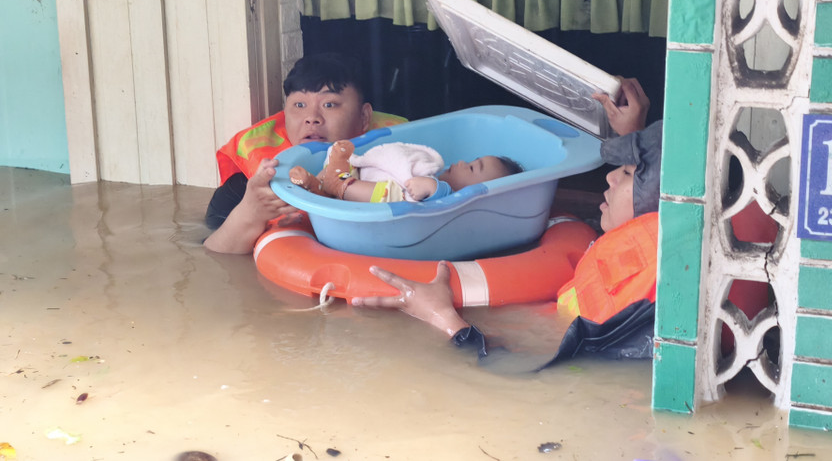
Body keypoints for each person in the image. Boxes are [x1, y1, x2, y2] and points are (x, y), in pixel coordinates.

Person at [352, 83, 662, 365]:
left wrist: (441, 316)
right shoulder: (647, 245)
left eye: (627, 173)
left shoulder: (639, 278)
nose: (609, 176)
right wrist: (634, 134)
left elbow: (513, 367)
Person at [203, 53, 404, 254]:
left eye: (329, 104)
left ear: (364, 116)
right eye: (299, 105)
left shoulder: (396, 157)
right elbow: (212, 255)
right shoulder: (252, 184)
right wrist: (251, 211)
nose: (311, 118)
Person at [288, 139, 523, 202]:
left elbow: (440, 201)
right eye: (471, 160)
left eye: (472, 168)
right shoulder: (430, 168)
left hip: (357, 192)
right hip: (358, 178)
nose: (462, 162)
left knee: (396, 195)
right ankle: (319, 186)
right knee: (343, 163)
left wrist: (432, 188)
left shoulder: (448, 194)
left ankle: (338, 185)